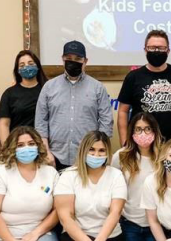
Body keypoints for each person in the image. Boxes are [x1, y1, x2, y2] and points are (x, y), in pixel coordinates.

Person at [54, 131, 134, 241]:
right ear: (83, 150)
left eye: (101, 151)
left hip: (110, 238)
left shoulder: (115, 175)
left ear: (107, 154)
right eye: (91, 150)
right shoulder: (68, 175)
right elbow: (66, 218)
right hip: (77, 238)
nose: (96, 155)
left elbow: (115, 212)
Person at [35, 41, 114, 171]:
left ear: (85, 61)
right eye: (69, 59)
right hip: (55, 157)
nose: (73, 62)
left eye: (78, 59)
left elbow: (106, 122)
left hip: (88, 157)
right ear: (62, 59)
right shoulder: (49, 87)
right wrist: (46, 152)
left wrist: (98, 153)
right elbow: (40, 123)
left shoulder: (97, 88)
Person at [110, 112, 163, 241]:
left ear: (155, 131)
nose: (143, 134)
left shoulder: (163, 156)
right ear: (132, 132)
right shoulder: (121, 156)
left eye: (147, 129)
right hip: (130, 224)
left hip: (155, 225)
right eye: (138, 129)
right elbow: (112, 188)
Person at [118, 30, 171, 144]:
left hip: (169, 144)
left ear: (168, 50)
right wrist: (124, 144)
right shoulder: (133, 77)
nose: (156, 51)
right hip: (140, 143)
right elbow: (123, 111)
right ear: (145, 50)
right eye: (152, 48)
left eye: (161, 48)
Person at [0, 50, 48, 142]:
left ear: (38, 66)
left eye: (30, 63)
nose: (27, 67)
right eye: (22, 65)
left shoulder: (47, 91)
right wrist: (7, 150)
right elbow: (4, 124)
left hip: (43, 145)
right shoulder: (9, 93)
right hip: (17, 146)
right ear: (18, 70)